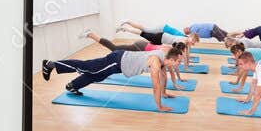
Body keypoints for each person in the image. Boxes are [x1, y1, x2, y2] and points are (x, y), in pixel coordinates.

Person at [41, 40, 190, 110]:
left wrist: (165, 93)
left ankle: (73, 85)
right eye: (179, 61)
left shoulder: (164, 59)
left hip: (120, 63)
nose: (179, 64)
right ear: (172, 59)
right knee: (88, 67)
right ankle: (51, 65)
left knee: (98, 75)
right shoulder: (156, 63)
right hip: (117, 61)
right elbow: (156, 85)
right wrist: (159, 105)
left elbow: (164, 78)